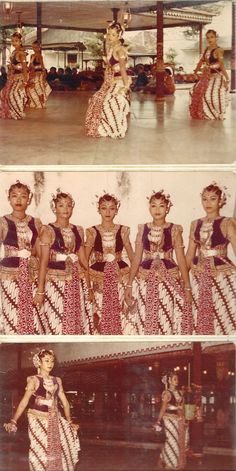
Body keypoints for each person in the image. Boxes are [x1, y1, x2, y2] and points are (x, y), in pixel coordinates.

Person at [125, 190, 193, 335]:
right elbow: (137, 258)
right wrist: (129, 284)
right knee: (145, 313)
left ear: (167, 208)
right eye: (153, 206)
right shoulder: (143, 229)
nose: (157, 210)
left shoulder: (174, 229)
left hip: (168, 277)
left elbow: (181, 259)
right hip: (145, 277)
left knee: (166, 314)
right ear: (149, 208)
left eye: (161, 206)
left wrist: (187, 286)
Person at [3, 349, 80, 471]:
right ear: (39, 363)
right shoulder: (33, 380)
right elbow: (24, 402)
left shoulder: (57, 380)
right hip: (37, 419)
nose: (50, 364)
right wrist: (14, 420)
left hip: (54, 419)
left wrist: (69, 421)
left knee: (60, 449)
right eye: (47, 361)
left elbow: (65, 402)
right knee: (40, 451)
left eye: (52, 361)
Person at [33, 190, 93, 335]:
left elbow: (84, 261)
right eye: (61, 205)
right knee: (56, 319)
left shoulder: (78, 229)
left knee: (75, 318)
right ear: (54, 208)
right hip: (55, 282)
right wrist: (40, 291)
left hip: (75, 282)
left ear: (72, 207)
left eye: (68, 205)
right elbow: (43, 262)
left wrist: (89, 287)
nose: (65, 209)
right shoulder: (48, 230)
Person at [186, 183, 236, 335]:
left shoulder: (227, 222)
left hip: (221, 273)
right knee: (201, 310)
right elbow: (189, 253)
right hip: (199, 273)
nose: (208, 203)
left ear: (221, 201)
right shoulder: (195, 224)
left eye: (213, 199)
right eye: (205, 199)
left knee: (223, 311)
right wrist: (184, 279)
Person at [85, 193, 134, 334]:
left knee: (120, 309)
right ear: (98, 210)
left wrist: (135, 276)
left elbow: (131, 255)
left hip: (120, 273)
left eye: (111, 208)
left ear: (116, 210)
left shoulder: (123, 230)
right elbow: (85, 258)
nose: (108, 212)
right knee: (100, 309)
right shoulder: (92, 232)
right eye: (104, 208)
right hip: (98, 275)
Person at [0, 181, 42, 335]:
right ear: (9, 198)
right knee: (12, 314)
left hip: (31, 274)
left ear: (29, 199)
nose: (18, 200)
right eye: (14, 196)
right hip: (9, 274)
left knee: (33, 313)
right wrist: (16, 253)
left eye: (23, 196)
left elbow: (38, 251)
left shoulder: (35, 222)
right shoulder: (2, 222)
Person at [85, 21, 132, 139]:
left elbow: (122, 69)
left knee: (108, 103)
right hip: (112, 81)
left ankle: (116, 130)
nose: (110, 37)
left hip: (119, 82)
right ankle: (107, 128)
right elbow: (112, 67)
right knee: (97, 100)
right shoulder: (112, 48)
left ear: (119, 36)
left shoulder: (120, 50)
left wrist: (126, 87)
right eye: (109, 34)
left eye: (113, 35)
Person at [189, 29, 229, 120]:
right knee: (193, 91)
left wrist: (227, 78)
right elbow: (201, 61)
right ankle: (203, 112)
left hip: (217, 76)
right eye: (207, 38)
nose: (209, 39)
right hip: (206, 77)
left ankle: (217, 113)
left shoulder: (219, 50)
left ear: (216, 38)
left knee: (211, 95)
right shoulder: (207, 49)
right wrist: (195, 72)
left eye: (212, 37)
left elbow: (221, 65)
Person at [154, 371, 188, 469]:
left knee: (178, 440)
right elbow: (163, 407)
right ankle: (170, 463)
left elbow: (182, 406)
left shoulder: (179, 392)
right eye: (174, 379)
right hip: (168, 419)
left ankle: (164, 458)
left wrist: (184, 416)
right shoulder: (166, 393)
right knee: (172, 439)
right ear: (169, 380)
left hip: (179, 419)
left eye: (177, 379)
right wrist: (158, 420)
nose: (177, 381)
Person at [0, 32, 28, 119]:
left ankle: (18, 113)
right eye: (12, 41)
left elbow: (24, 68)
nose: (14, 42)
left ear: (20, 41)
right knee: (4, 93)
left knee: (13, 94)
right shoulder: (14, 52)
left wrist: (25, 82)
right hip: (12, 77)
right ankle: (11, 112)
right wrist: (11, 67)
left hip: (20, 78)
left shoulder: (21, 53)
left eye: (16, 41)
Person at [27, 40, 51, 108]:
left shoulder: (40, 56)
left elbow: (42, 66)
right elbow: (30, 65)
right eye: (33, 47)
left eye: (36, 47)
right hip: (33, 74)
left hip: (39, 74)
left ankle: (42, 103)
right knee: (30, 88)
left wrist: (44, 74)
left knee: (39, 88)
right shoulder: (32, 56)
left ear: (39, 47)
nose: (34, 49)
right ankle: (33, 102)